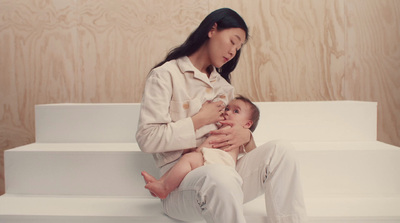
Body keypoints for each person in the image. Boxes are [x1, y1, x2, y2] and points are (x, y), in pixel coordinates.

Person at [136, 8, 307, 223]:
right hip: (180, 184)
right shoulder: (166, 75)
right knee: (221, 177)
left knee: (282, 150)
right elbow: (147, 138)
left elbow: (234, 145)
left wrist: (247, 137)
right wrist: (199, 120)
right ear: (212, 29)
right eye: (233, 41)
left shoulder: (224, 88)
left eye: (239, 47)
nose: (234, 51)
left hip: (224, 172)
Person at [141, 96, 260, 199]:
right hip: (220, 162)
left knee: (187, 159)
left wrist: (197, 150)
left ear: (248, 124)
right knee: (186, 161)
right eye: (227, 108)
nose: (227, 112)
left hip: (218, 161)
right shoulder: (238, 137)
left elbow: (210, 143)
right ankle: (161, 182)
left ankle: (164, 187)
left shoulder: (230, 130)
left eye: (236, 111)